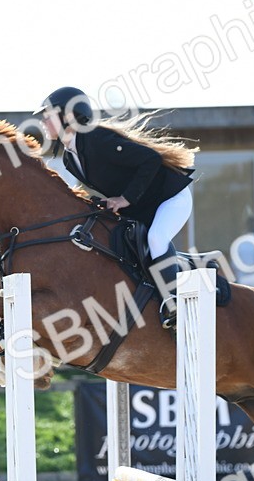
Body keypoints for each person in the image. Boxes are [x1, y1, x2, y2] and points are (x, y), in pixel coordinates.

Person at [36, 87, 197, 328]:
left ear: (68, 117)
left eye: (48, 115)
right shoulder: (69, 157)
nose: (43, 121)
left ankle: (177, 304)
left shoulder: (95, 138)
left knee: (156, 239)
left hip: (170, 198)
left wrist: (124, 199)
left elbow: (150, 160)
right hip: (143, 207)